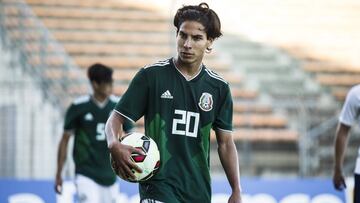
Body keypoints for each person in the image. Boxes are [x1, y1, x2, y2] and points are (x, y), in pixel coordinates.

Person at [105, 3, 242, 203]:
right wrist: (113, 144)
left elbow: (226, 143)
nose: (187, 44)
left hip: (197, 189)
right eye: (182, 35)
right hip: (158, 186)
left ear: (209, 42)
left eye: (196, 38)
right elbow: (115, 119)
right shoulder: (151, 76)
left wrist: (236, 189)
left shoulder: (218, 88)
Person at [54, 63, 133, 203]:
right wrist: (59, 173)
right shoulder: (78, 107)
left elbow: (131, 136)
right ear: (95, 84)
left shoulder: (119, 106)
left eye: (111, 81)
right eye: (107, 82)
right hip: (86, 174)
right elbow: (65, 140)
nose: (111, 85)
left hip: (111, 175)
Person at [333, 84, 360, 203]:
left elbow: (343, 131)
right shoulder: (356, 94)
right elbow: (343, 131)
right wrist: (337, 167)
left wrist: (338, 168)